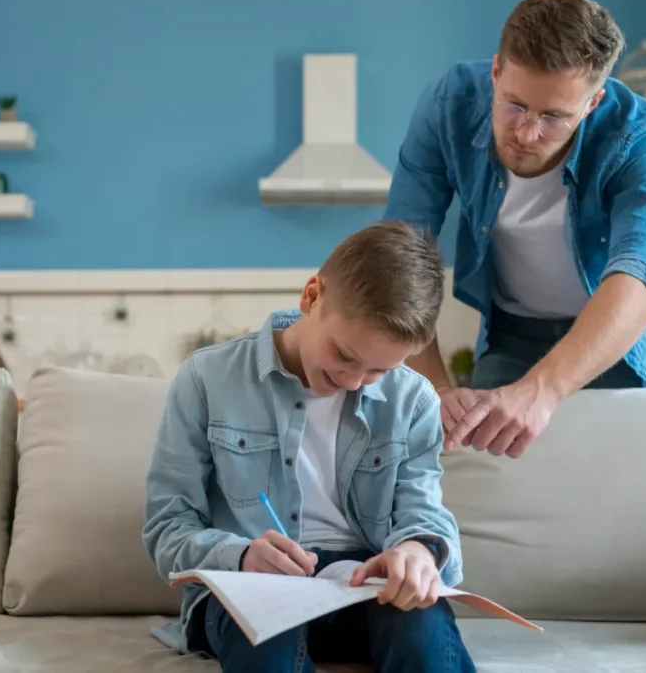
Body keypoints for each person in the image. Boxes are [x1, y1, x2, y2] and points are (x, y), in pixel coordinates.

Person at [142, 220, 475, 673]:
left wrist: (418, 550)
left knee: (420, 630)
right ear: (312, 296)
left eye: (378, 371)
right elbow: (168, 526)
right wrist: (238, 555)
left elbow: (423, 509)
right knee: (261, 638)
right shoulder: (207, 380)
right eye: (345, 355)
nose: (353, 380)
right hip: (248, 582)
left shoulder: (413, 399)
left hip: (365, 584)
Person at [383, 0, 646, 460]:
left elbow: (640, 278)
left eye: (553, 117)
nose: (527, 133)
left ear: (592, 103)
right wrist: (435, 391)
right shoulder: (450, 103)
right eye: (514, 106)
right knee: (491, 480)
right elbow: (400, 254)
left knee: (622, 490)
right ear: (495, 72)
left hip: (620, 343)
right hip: (512, 333)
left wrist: (542, 390)